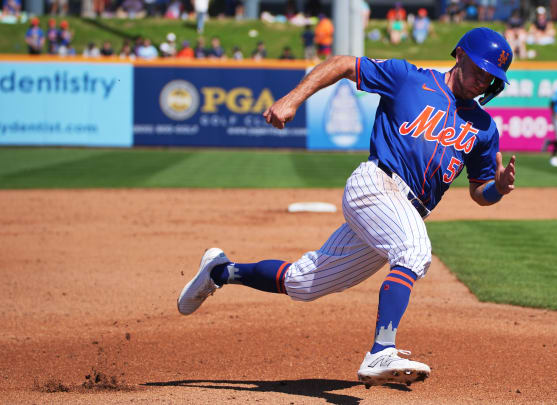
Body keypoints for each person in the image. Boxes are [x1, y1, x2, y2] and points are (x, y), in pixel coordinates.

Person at [177, 27, 516, 388]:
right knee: (415, 251)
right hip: (376, 184)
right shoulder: (407, 78)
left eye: (490, 77)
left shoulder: (483, 128)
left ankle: (221, 272)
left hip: (402, 213)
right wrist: (293, 99)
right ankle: (381, 349)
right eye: (479, 69)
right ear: (460, 55)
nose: (482, 80)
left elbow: (479, 192)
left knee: (303, 283)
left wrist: (498, 188)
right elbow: (341, 64)